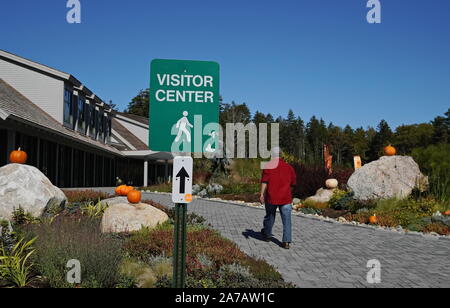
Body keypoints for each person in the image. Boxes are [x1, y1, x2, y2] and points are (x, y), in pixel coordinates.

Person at [260, 147, 297, 249]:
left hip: (272, 197)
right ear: (281, 155)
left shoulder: (268, 166)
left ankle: (267, 234)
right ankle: (286, 242)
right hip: (285, 198)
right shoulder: (289, 167)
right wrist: (289, 192)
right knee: (287, 220)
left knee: (270, 217)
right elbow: (293, 183)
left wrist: (262, 194)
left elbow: (264, 182)